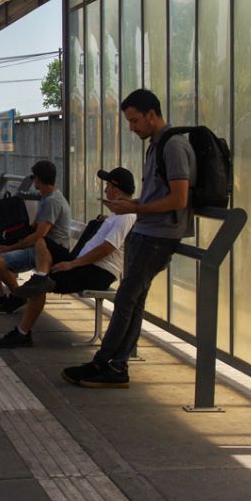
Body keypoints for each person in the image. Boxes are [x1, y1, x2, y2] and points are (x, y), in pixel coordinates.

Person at [62, 89, 196, 389]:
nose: (132, 127)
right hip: (147, 231)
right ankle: (117, 367)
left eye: (135, 121)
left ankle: (103, 364)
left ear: (152, 114)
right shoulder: (157, 145)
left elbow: (179, 198)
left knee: (125, 298)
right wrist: (132, 208)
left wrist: (134, 207)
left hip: (160, 236)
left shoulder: (173, 146)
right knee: (133, 301)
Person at [0, 167, 137, 348]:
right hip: (84, 264)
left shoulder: (126, 217)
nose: (105, 189)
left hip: (97, 272)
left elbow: (106, 249)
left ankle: (22, 332)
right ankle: (42, 277)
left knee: (39, 287)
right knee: (41, 241)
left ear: (116, 189)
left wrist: (72, 264)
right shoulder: (117, 215)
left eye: (107, 185)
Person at [0, 160, 71, 314]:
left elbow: (40, 235)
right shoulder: (46, 197)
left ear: (38, 179)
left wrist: (11, 247)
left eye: (34, 177)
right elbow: (34, 228)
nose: (33, 181)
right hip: (39, 245)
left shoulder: (52, 201)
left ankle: (18, 295)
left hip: (49, 251)